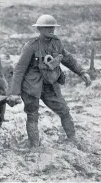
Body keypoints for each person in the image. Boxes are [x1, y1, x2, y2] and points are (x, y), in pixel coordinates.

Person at [8, 15, 92, 148]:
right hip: (31, 86)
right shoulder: (31, 46)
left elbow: (67, 58)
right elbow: (19, 70)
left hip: (50, 84)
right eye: (47, 27)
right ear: (39, 29)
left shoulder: (57, 42)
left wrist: (82, 72)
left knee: (64, 110)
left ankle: (73, 139)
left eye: (53, 27)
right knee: (32, 115)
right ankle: (34, 146)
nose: (51, 29)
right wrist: (14, 93)